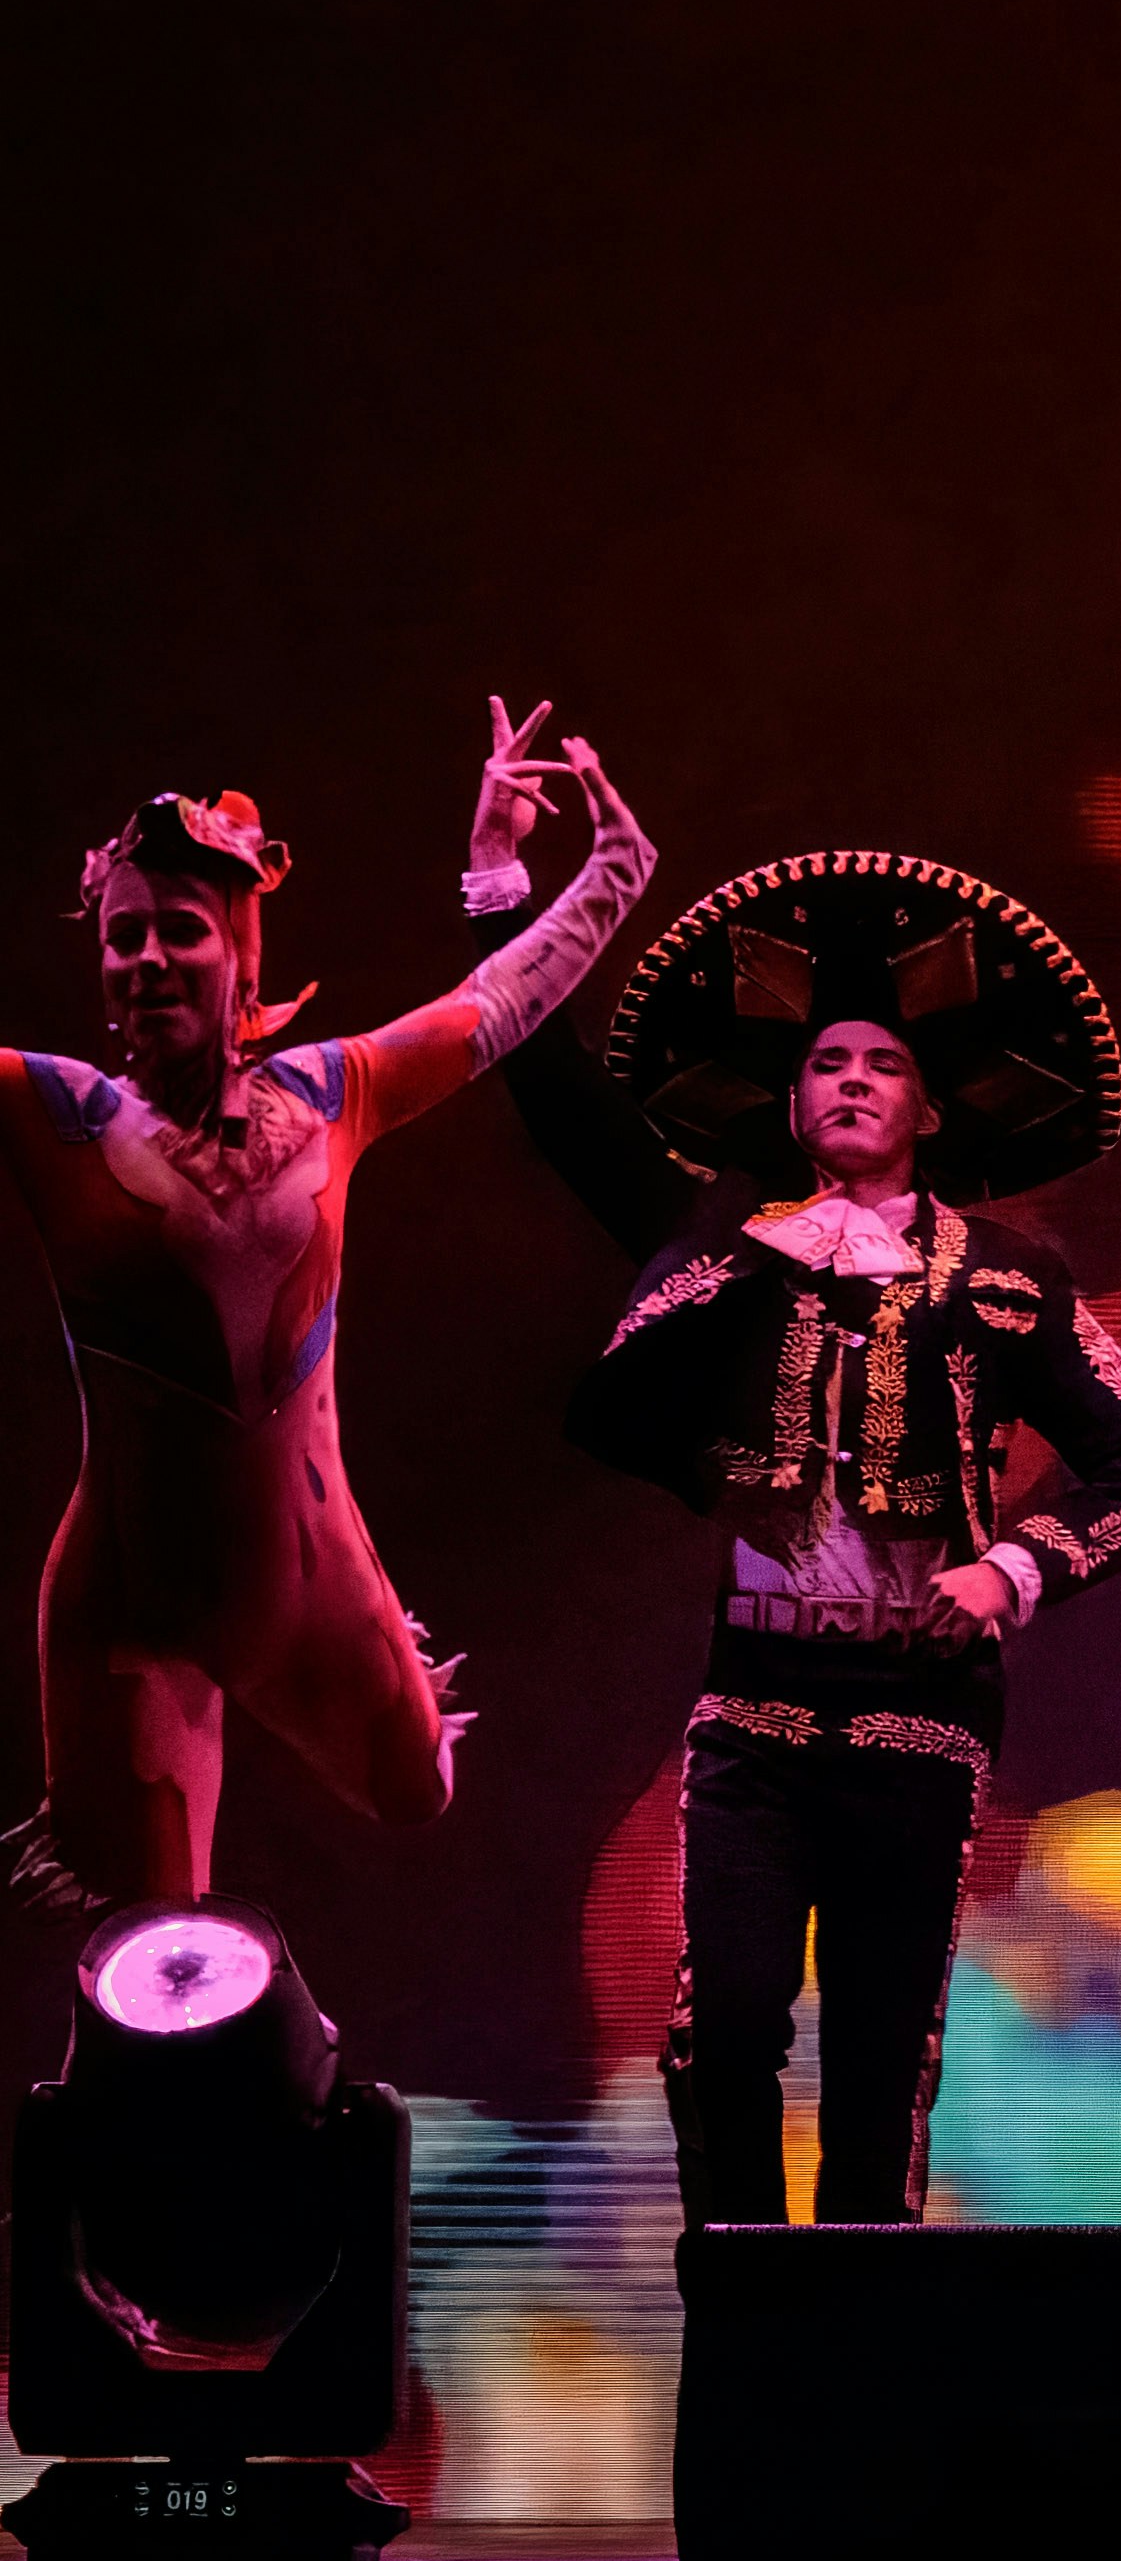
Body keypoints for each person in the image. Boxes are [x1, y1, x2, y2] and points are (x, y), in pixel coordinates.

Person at [468, 764, 1121, 2227]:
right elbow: (555, 1103)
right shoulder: (727, 1249)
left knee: (882, 2066)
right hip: (755, 1717)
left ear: (927, 1107)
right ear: (791, 1106)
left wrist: (1014, 1571)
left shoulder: (1008, 1281)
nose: (851, 1078)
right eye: (826, 1064)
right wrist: (499, 891)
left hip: (923, 1725)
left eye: (880, 1063)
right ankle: (737, 2296)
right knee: (722, 2031)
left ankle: (866, 2353)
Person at [6, 723, 648, 1905]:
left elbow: (492, 1005)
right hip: (140, 1607)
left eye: (182, 931)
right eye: (123, 937)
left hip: (312, 1576)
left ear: (242, 960)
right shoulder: (51, 1114)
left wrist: (608, 871)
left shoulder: (329, 1093)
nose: (148, 958)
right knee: (159, 1943)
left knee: (418, 1792)